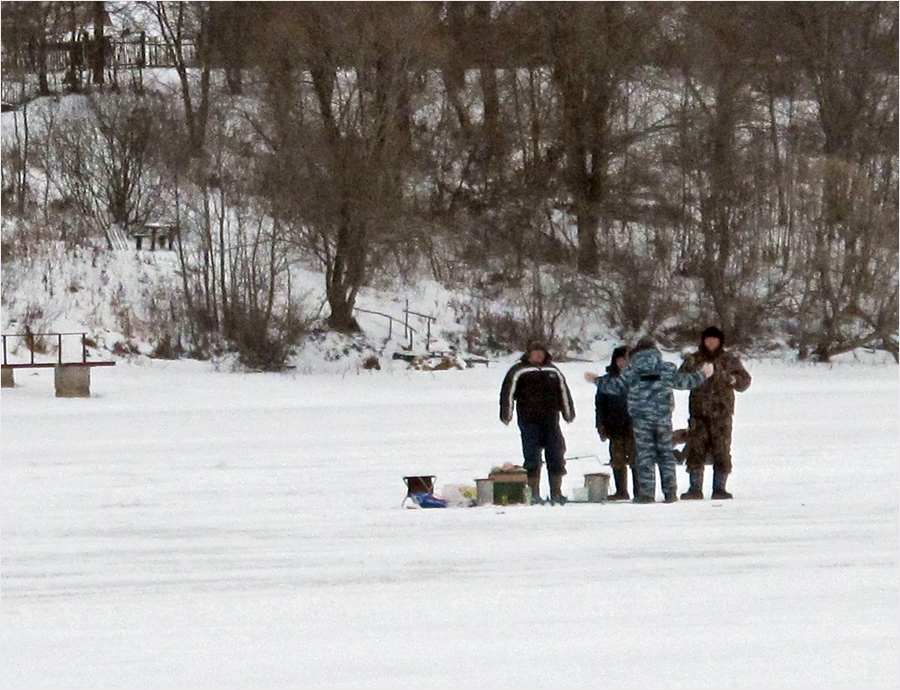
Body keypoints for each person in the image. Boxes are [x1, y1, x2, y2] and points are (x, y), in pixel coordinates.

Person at [595, 337, 712, 503]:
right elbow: (686, 382)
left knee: (645, 456)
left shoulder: (632, 371)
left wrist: (596, 380)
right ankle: (670, 492)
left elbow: (614, 387)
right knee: (666, 455)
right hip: (663, 418)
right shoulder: (667, 368)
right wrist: (704, 374)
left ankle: (647, 494)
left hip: (640, 419)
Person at [678, 326, 752, 500]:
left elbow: (745, 381)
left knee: (722, 450)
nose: (711, 342)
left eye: (714, 339)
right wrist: (695, 375)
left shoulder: (729, 360)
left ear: (720, 341)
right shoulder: (695, 360)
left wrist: (730, 378)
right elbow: (680, 379)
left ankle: (720, 488)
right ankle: (695, 488)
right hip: (698, 414)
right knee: (695, 449)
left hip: (722, 415)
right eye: (708, 339)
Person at [500, 341, 576, 503]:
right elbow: (507, 393)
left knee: (556, 454)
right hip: (529, 420)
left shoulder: (553, 371)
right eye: (535, 352)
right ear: (529, 354)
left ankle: (556, 491)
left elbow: (564, 392)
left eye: (541, 352)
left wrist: (568, 413)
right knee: (532, 456)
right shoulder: (519, 371)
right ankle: (533, 492)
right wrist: (506, 414)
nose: (539, 355)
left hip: (551, 420)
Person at [584, 346, 638, 501]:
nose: (623, 362)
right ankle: (621, 490)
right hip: (614, 425)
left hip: (634, 425)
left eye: (626, 359)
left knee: (636, 459)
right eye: (620, 359)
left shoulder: (636, 379)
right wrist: (600, 425)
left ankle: (640, 491)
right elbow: (600, 406)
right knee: (617, 458)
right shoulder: (607, 380)